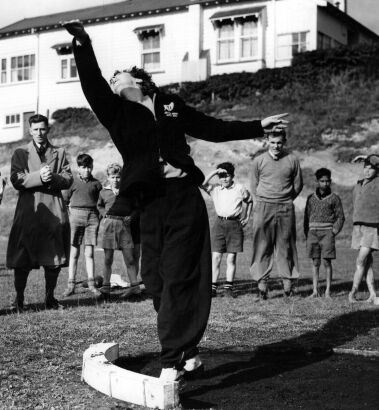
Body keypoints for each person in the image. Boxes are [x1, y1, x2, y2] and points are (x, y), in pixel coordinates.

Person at [62, 19, 288, 382]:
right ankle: (191, 352)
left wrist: (257, 125)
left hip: (183, 198)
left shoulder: (169, 103)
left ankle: (171, 363)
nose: (113, 80)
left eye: (118, 76)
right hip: (149, 202)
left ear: (138, 80)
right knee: (155, 279)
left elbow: (212, 127)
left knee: (181, 273)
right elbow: (91, 83)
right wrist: (83, 43)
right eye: (112, 79)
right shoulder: (116, 112)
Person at [6, 114, 73, 311]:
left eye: (42, 129)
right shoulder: (20, 153)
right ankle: (18, 299)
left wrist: (52, 177)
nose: (39, 133)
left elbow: (68, 178)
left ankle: (50, 298)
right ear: (30, 130)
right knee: (22, 258)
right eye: (35, 129)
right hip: (29, 211)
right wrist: (38, 177)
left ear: (48, 129)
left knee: (53, 259)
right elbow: (16, 179)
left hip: (53, 209)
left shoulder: (59, 153)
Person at [250, 129, 303, 300]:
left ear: (284, 142)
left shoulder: (292, 160)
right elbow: (254, 185)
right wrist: (265, 199)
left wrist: (285, 199)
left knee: (285, 246)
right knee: (262, 245)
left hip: (285, 207)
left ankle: (288, 285)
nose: (276, 146)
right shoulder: (259, 161)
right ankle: (262, 286)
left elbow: (298, 185)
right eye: (272, 142)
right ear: (267, 142)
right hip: (264, 206)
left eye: (279, 142)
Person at [202, 162, 253, 298]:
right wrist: (215, 172)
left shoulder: (240, 188)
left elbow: (249, 200)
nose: (224, 179)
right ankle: (212, 288)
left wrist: (247, 217)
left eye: (227, 176)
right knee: (216, 257)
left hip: (234, 225)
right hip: (219, 224)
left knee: (231, 258)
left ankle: (228, 287)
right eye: (221, 176)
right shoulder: (215, 189)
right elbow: (202, 183)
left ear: (232, 176)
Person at [97, 163, 141, 298]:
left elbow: (137, 207)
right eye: (112, 177)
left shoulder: (127, 191)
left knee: (130, 258)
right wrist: (105, 214)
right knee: (108, 258)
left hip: (124, 226)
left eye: (118, 177)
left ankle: (135, 287)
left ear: (122, 177)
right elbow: (99, 206)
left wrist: (131, 217)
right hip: (109, 225)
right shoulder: (104, 191)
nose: (115, 180)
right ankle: (105, 287)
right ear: (108, 177)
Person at [62, 153, 103, 297]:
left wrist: (99, 216)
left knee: (90, 253)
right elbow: (65, 202)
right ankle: (70, 285)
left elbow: (101, 203)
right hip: (75, 218)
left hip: (92, 218)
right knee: (74, 253)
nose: (87, 170)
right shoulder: (72, 183)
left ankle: (92, 285)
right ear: (78, 168)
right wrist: (70, 216)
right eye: (83, 167)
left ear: (92, 167)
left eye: (89, 167)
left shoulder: (97, 184)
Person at [303, 168, 345, 298]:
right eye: (322, 181)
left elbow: (340, 217)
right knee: (315, 262)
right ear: (317, 181)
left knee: (327, 262)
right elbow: (306, 216)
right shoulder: (310, 198)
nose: (325, 184)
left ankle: (327, 291)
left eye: (327, 181)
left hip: (327, 233)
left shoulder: (334, 198)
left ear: (330, 181)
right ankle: (315, 290)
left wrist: (334, 231)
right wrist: (307, 233)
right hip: (313, 233)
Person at [348, 154, 379, 303]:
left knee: (360, 261)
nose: (367, 171)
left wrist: (368, 156)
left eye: (371, 168)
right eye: (365, 167)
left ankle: (353, 292)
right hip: (358, 226)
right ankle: (372, 293)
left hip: (372, 227)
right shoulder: (359, 183)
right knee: (367, 262)